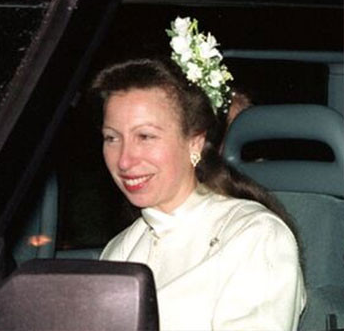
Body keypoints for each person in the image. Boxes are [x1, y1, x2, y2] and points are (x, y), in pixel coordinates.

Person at [90, 18, 305, 330]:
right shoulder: (121, 248)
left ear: (195, 142)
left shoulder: (255, 237)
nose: (124, 160)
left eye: (145, 136)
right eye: (112, 138)